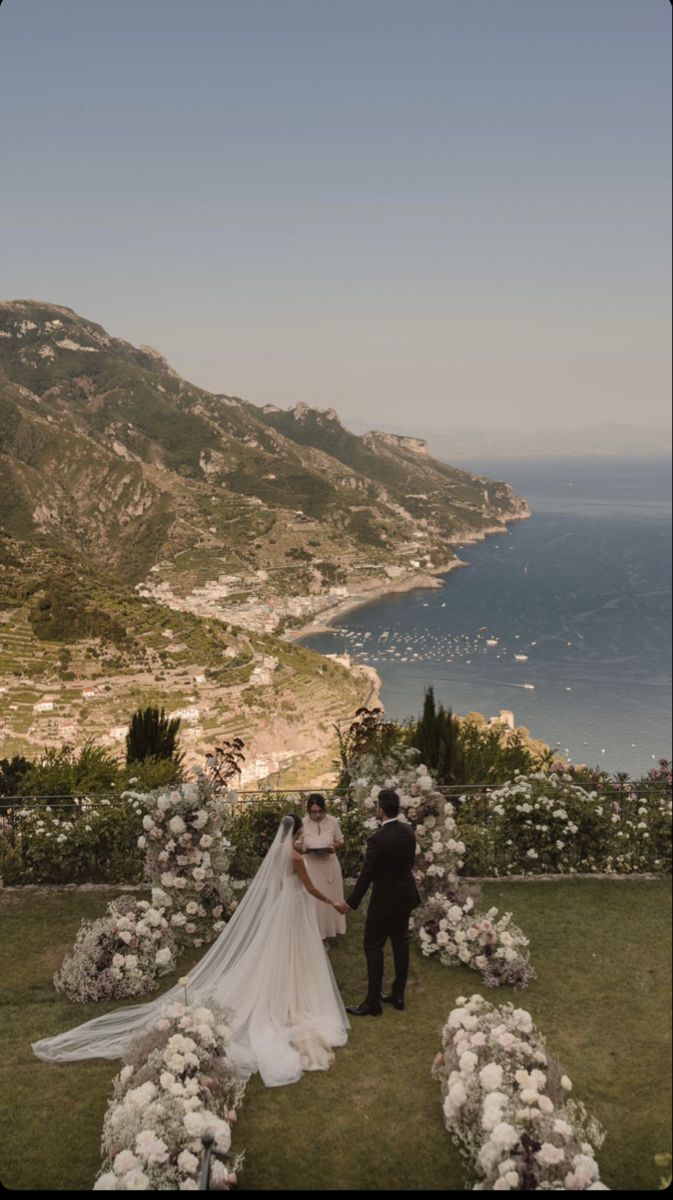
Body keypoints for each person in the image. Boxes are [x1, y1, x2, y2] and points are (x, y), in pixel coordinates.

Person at [32, 816, 350, 1088]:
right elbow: (308, 886)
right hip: (295, 907)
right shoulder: (295, 857)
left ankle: (288, 992)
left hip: (283, 908)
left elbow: (294, 865)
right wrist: (333, 902)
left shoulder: (281, 852)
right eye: (300, 835)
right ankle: (291, 999)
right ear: (294, 835)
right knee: (296, 955)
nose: (303, 839)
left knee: (281, 956)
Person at [335, 788, 420, 1016]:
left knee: (373, 946)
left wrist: (349, 904)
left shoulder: (377, 839)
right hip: (405, 897)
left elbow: (366, 876)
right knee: (400, 943)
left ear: (381, 810)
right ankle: (398, 995)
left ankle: (373, 1003)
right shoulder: (409, 831)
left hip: (384, 901)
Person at [297, 793, 347, 942]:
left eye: (320, 811)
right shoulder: (303, 823)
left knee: (330, 899)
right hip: (311, 866)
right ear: (308, 810)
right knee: (315, 901)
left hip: (329, 865)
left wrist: (333, 847)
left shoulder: (332, 821)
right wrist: (305, 849)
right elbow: (295, 843)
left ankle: (328, 931)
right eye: (314, 812)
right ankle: (314, 935)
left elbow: (340, 840)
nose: (317, 815)